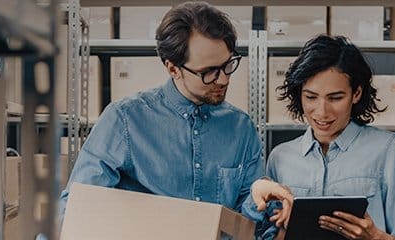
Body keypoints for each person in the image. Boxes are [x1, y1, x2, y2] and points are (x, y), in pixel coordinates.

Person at [58, 1, 293, 231]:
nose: (223, 79)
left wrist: (256, 197)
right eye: (208, 72)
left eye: (227, 64)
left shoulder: (241, 127)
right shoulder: (124, 121)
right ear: (173, 69)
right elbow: (75, 209)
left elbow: (246, 223)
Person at [267, 35, 395, 239]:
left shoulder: (387, 149)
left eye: (335, 98)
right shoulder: (280, 157)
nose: (322, 112)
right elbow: (266, 233)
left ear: (356, 93)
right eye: (311, 97)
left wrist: (376, 237)